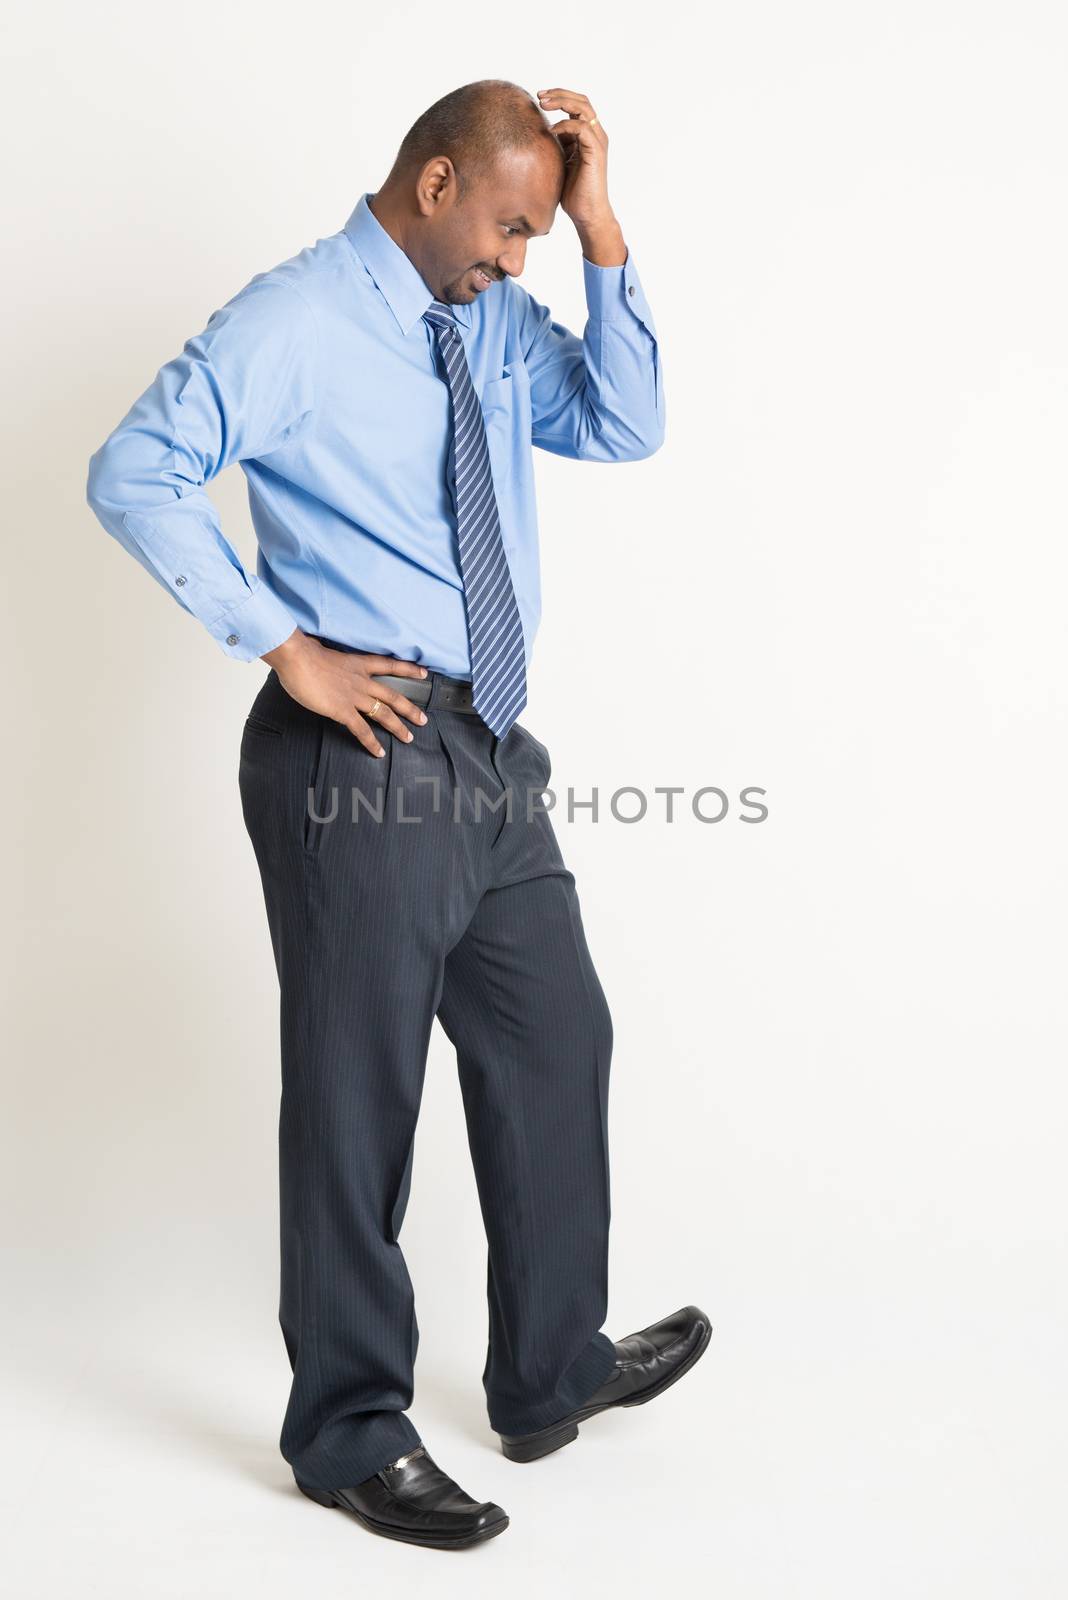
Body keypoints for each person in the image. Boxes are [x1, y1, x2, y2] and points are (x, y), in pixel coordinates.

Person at [86, 78, 710, 1551]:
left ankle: (550, 1365)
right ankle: (350, 1431)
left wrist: (601, 221)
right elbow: (135, 469)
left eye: (536, 241)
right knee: (361, 1094)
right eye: (508, 229)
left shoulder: (484, 312)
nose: (515, 263)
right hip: (354, 752)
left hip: (485, 742)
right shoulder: (295, 321)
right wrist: (278, 642)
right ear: (435, 183)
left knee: (558, 1033)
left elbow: (624, 426)